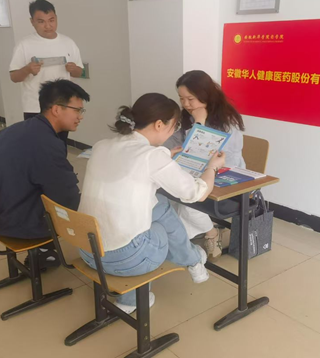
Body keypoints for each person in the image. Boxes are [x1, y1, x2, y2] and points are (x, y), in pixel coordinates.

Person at [78, 93, 226, 314]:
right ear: (159, 124)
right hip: (127, 259)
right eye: (174, 127)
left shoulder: (102, 146)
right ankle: (192, 261)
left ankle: (136, 295)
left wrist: (165, 157)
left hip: (87, 251)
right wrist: (212, 167)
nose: (173, 132)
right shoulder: (152, 157)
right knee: (161, 218)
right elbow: (197, 193)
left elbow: (133, 165)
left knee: (156, 205)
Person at [0, 79, 90, 266]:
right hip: (14, 223)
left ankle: (44, 251)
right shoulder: (45, 143)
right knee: (88, 206)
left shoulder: (15, 130)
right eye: (77, 110)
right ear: (56, 109)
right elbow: (66, 197)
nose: (80, 117)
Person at [164, 70, 246, 261]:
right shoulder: (187, 116)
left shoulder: (227, 121)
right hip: (196, 174)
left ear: (205, 95)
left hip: (225, 178)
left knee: (186, 202)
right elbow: (172, 144)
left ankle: (210, 233)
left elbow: (226, 162)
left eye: (190, 99)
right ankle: (184, 237)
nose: (186, 104)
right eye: (181, 98)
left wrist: (199, 123)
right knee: (165, 195)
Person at [9, 0, 83, 128]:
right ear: (32, 22)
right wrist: (27, 69)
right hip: (35, 107)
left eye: (51, 20)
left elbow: (79, 72)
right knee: (37, 140)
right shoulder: (24, 45)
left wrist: (74, 69)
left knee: (59, 140)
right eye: (41, 21)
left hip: (62, 106)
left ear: (56, 18)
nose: (48, 26)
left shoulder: (68, 43)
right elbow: (14, 77)